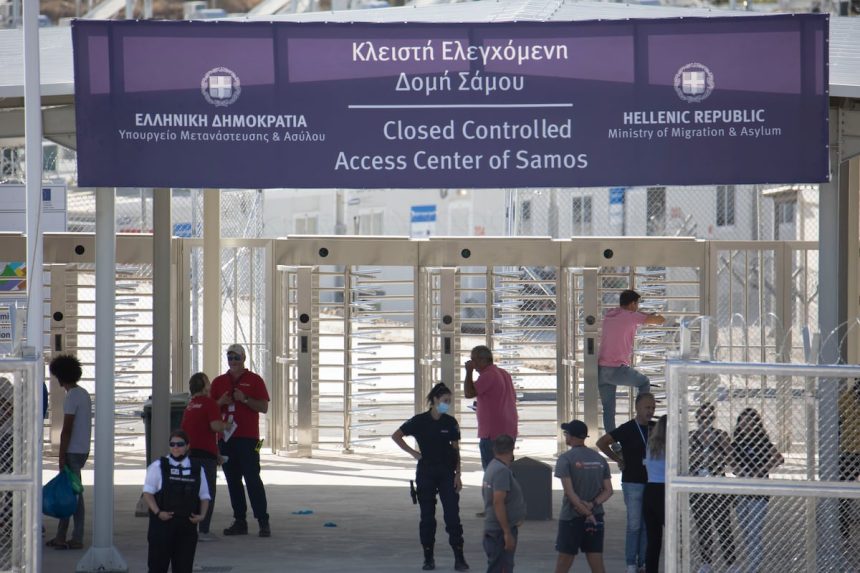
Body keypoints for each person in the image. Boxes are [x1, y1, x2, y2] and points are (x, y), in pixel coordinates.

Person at [392, 382, 469, 571]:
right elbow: (396, 436)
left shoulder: (450, 422)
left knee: (452, 516)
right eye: (444, 400)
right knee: (427, 517)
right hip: (426, 472)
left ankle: (459, 557)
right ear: (434, 400)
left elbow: (456, 450)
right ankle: (428, 557)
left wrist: (458, 474)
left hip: (446, 473)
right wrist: (414, 454)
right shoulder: (419, 421)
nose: (447, 404)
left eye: (449, 401)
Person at [210, 343, 271, 537]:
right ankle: (239, 521)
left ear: (244, 358)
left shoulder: (255, 380)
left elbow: (264, 407)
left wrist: (244, 399)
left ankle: (263, 521)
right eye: (230, 357)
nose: (233, 361)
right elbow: (209, 410)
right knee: (232, 480)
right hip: (226, 439)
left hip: (250, 440)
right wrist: (221, 402)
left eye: (237, 357)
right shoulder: (219, 382)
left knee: (252, 478)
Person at [596, 392, 656, 573]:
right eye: (647, 407)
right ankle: (631, 562)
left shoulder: (655, 428)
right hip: (633, 481)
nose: (650, 411)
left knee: (647, 525)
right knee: (634, 524)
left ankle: (643, 562)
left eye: (653, 408)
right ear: (637, 408)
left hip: (652, 482)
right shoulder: (628, 428)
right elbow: (602, 442)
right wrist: (618, 459)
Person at [142, 429, 210, 573]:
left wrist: (202, 516)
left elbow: (204, 496)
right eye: (172, 444)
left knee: (184, 567)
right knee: (157, 567)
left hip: (187, 526)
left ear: (187, 446)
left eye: (180, 444)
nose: (175, 447)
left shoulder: (197, 469)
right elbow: (148, 493)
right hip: (162, 526)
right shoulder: (158, 467)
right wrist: (158, 512)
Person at [597, 289, 664, 433]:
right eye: (637, 304)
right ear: (633, 304)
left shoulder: (611, 314)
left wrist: (639, 314)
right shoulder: (630, 316)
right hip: (616, 369)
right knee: (644, 382)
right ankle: (642, 419)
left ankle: (613, 443)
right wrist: (654, 314)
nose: (638, 307)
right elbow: (659, 320)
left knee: (608, 410)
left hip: (602, 370)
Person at [554, 420, 613, 573]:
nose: (565, 436)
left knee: (563, 564)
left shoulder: (566, 459)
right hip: (596, 516)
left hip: (571, 518)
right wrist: (592, 506)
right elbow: (608, 490)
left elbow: (569, 492)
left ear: (571, 436)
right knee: (597, 563)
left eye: (566, 433)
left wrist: (586, 513)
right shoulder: (599, 459)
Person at [46, 354, 91, 551]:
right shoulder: (83, 393)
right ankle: (61, 535)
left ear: (60, 377)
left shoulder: (71, 396)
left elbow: (67, 430)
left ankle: (75, 537)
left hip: (72, 451)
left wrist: (61, 455)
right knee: (70, 492)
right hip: (82, 449)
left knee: (73, 495)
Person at [730, 408, 783, 573]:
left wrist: (760, 471)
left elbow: (779, 458)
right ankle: (752, 561)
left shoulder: (761, 441)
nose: (746, 424)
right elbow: (730, 460)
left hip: (758, 490)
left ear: (756, 424)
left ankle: (754, 567)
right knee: (746, 531)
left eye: (750, 421)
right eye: (743, 421)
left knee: (755, 531)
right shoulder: (737, 442)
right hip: (741, 490)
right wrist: (739, 470)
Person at [181, 372, 232, 542]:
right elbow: (215, 426)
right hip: (205, 457)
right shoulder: (209, 403)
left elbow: (197, 432)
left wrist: (216, 453)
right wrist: (226, 425)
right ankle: (204, 530)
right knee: (207, 493)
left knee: (191, 493)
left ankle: (189, 528)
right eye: (207, 382)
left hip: (190, 455)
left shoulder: (190, 406)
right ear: (204, 386)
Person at [689, 403, 738, 573]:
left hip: (717, 484)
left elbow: (730, 458)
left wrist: (714, 454)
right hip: (698, 486)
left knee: (723, 525)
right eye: (703, 418)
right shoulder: (692, 436)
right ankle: (706, 563)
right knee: (703, 526)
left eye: (709, 418)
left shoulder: (720, 435)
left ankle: (731, 563)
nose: (706, 421)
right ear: (697, 418)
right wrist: (709, 456)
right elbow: (688, 457)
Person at [463, 345, 518, 471]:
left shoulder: (488, 375)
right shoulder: (504, 373)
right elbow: (509, 398)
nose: (472, 363)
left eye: (474, 359)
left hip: (493, 432)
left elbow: (469, 393)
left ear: (483, 360)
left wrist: (468, 372)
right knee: (506, 469)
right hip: (509, 429)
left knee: (492, 472)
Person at [481, 434, 526, 573]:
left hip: (494, 529)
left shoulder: (492, 466)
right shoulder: (501, 471)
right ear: (511, 450)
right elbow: (498, 502)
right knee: (502, 567)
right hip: (499, 532)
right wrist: (507, 532)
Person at [643, 415, 667, 573]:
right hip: (665, 491)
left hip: (650, 490)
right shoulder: (672, 448)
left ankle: (651, 570)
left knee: (653, 540)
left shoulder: (651, 446)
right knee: (673, 536)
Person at [838, 380, 860, 541]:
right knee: (844, 492)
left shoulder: (845, 399)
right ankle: (843, 528)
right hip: (849, 451)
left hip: (848, 451)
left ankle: (844, 528)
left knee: (844, 491)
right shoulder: (845, 400)